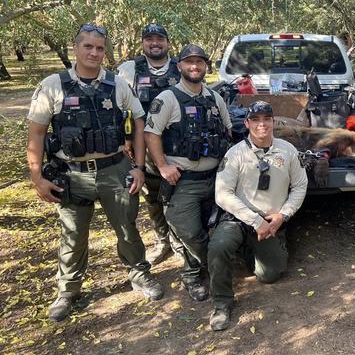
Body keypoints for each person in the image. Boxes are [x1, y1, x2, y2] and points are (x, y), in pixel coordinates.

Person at [26, 23, 164, 323]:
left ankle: (139, 275)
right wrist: (37, 178)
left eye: (100, 48)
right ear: (75, 47)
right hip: (71, 174)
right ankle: (68, 291)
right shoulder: (53, 85)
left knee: (127, 228)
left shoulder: (117, 84)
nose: (94, 52)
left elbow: (139, 123)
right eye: (88, 46)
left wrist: (139, 167)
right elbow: (36, 133)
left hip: (114, 170)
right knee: (73, 235)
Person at [208, 101, 308, 331]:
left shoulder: (288, 150)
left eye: (266, 119)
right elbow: (222, 194)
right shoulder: (235, 153)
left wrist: (283, 215)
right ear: (247, 123)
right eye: (255, 120)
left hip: (272, 221)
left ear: (274, 122)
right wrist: (254, 221)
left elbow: (300, 186)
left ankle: (254, 248)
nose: (261, 124)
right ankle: (222, 303)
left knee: (269, 275)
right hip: (239, 219)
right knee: (218, 247)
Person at [144, 44, 231, 301]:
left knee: (213, 229)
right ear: (179, 66)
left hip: (215, 178)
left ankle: (195, 272)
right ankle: (201, 272)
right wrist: (162, 166)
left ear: (206, 66)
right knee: (190, 232)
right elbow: (151, 134)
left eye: (200, 62)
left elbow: (227, 130)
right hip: (184, 182)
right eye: (189, 62)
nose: (195, 66)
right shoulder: (168, 99)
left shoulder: (215, 98)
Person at [117, 23, 181, 265]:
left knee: (177, 194)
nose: (155, 43)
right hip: (142, 146)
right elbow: (120, 107)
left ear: (167, 42)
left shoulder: (179, 67)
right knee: (152, 197)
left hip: (176, 145)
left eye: (160, 39)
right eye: (150, 39)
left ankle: (179, 241)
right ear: (143, 42)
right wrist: (125, 139)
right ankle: (162, 240)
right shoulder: (129, 69)